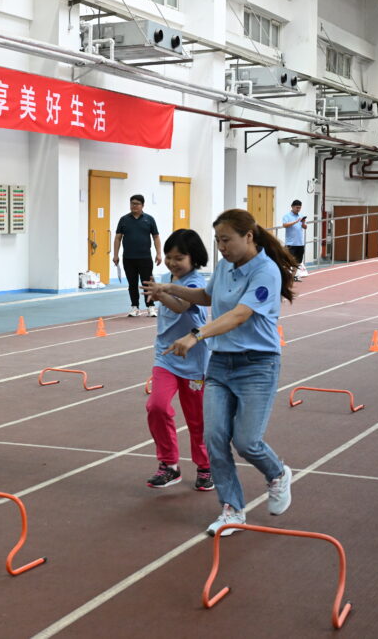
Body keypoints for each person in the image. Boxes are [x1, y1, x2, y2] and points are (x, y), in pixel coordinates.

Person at [143, 208, 297, 537]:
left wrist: (196, 335)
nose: (222, 247)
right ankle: (232, 509)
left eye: (226, 240)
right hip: (221, 364)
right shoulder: (225, 267)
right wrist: (168, 288)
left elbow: (240, 315)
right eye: (217, 241)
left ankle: (277, 474)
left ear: (249, 237)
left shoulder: (265, 272)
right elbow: (205, 296)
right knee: (214, 439)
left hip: (258, 364)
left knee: (246, 441)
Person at [144, 229, 213, 492]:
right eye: (170, 257)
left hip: (193, 361)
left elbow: (181, 305)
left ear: (194, 259)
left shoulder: (196, 283)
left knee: (197, 420)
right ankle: (169, 465)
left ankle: (205, 467)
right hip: (165, 358)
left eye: (180, 257)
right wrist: (159, 292)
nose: (173, 262)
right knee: (157, 406)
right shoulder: (165, 279)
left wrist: (162, 294)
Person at [113, 194, 162, 317]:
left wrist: (159, 253)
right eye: (132, 203)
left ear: (142, 205)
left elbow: (156, 237)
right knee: (132, 283)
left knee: (147, 283)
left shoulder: (149, 219)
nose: (133, 206)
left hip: (145, 257)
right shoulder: (124, 220)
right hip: (128, 258)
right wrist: (115, 255)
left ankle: (150, 307)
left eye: (136, 204)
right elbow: (118, 238)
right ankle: (134, 307)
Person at [281, 199, 308, 282]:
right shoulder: (287, 216)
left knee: (298, 262)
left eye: (299, 208)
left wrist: (303, 223)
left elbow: (305, 227)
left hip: (300, 243)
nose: (298, 209)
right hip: (290, 243)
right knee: (287, 261)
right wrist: (295, 221)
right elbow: (284, 225)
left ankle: (292, 277)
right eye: (296, 207)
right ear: (292, 207)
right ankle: (284, 277)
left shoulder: (301, 215)